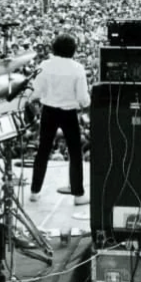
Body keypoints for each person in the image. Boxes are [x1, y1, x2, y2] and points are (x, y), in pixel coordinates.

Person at [29, 33, 90, 206]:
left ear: (54, 49)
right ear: (73, 50)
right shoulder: (77, 68)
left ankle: (34, 191)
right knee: (75, 153)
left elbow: (36, 91)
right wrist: (87, 102)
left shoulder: (45, 65)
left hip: (48, 110)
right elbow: (83, 99)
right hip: (69, 113)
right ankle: (78, 194)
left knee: (43, 150)